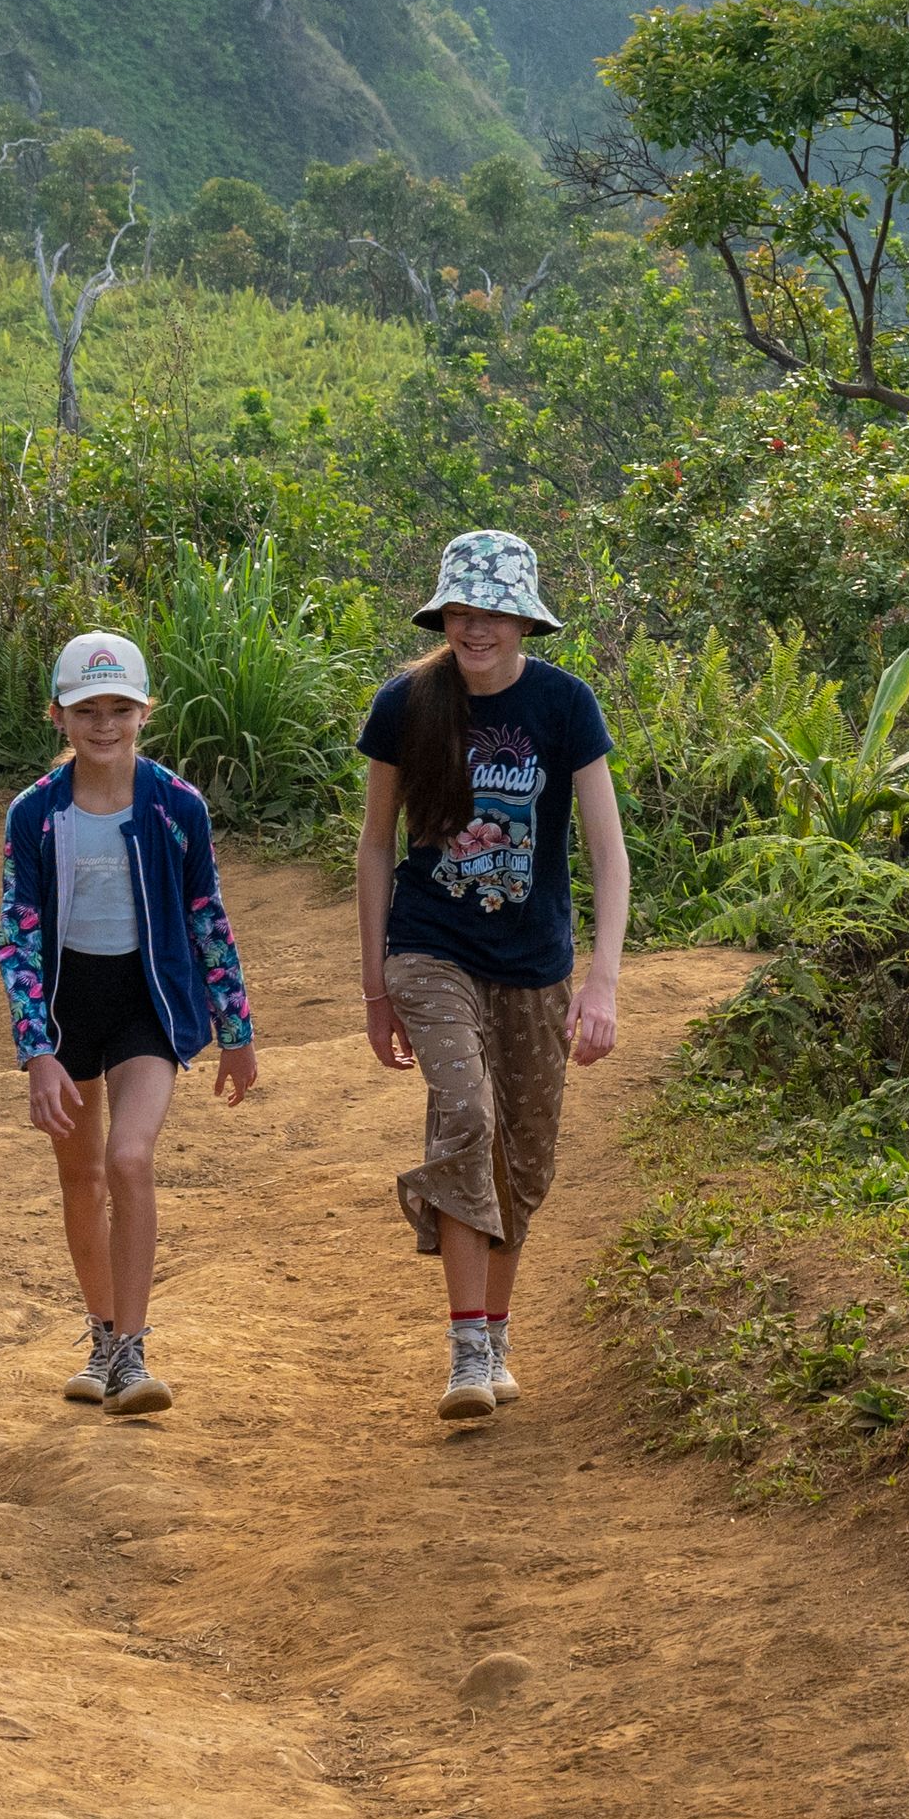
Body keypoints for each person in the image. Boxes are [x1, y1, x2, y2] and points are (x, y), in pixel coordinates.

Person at [354, 529, 627, 1426]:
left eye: (495, 612)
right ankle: (467, 1350)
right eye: (463, 611)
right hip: (431, 948)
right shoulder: (407, 705)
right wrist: (375, 986)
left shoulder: (564, 705)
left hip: (537, 963)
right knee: (465, 1114)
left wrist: (602, 982)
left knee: (524, 1163)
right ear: (446, 614)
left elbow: (607, 852)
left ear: (523, 619)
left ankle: (496, 1335)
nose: (477, 628)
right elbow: (375, 848)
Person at [0, 628, 258, 1417]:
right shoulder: (36, 815)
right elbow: (17, 933)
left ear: (146, 713)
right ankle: (103, 1338)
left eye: (119, 708)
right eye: (86, 709)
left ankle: (135, 1355)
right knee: (79, 1176)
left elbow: (207, 913)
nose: (103, 725)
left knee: (129, 1158)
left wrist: (235, 1028)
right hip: (66, 1004)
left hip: (149, 998)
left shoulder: (177, 806)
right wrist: (37, 1051)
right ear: (57, 716)